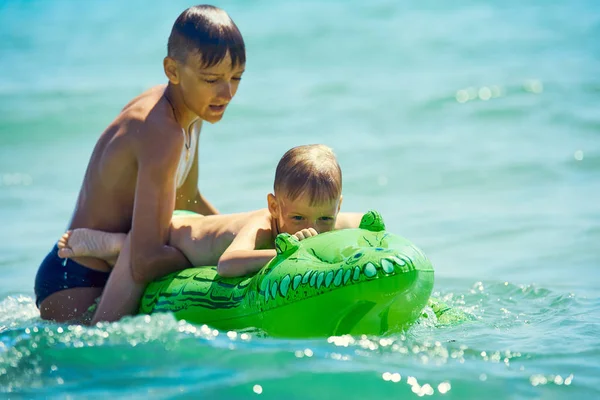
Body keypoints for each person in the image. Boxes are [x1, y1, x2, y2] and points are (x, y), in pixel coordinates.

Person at [34, 5, 246, 323]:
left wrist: (242, 235)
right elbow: (145, 262)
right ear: (172, 71)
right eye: (212, 79)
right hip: (76, 280)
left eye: (236, 77)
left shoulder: (191, 109)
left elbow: (188, 198)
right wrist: (223, 257)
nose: (227, 92)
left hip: (102, 269)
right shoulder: (162, 131)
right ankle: (114, 246)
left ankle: (116, 246)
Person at [56, 144, 364, 324]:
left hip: (193, 239)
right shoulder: (261, 226)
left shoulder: (321, 222)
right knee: (165, 260)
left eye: (325, 217)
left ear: (338, 206)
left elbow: (357, 221)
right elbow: (227, 264)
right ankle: (111, 243)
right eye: (297, 217)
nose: (312, 226)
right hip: (172, 232)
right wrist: (283, 254)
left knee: (177, 260)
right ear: (273, 206)